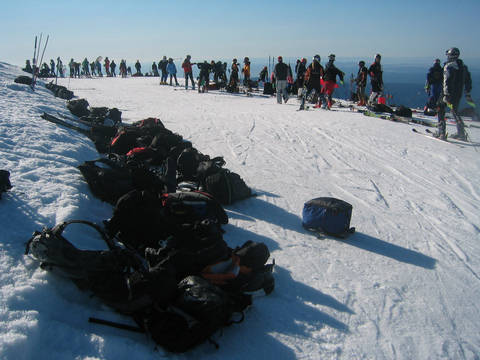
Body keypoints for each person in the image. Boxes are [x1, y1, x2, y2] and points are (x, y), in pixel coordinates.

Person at [435, 47, 473, 141]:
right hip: (457, 94)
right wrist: (467, 92)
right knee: (454, 111)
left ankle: (441, 132)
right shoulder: (463, 67)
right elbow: (468, 81)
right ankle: (461, 133)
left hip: (447, 94)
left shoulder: (449, 66)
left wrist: (446, 94)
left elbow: (446, 81)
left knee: (440, 109)